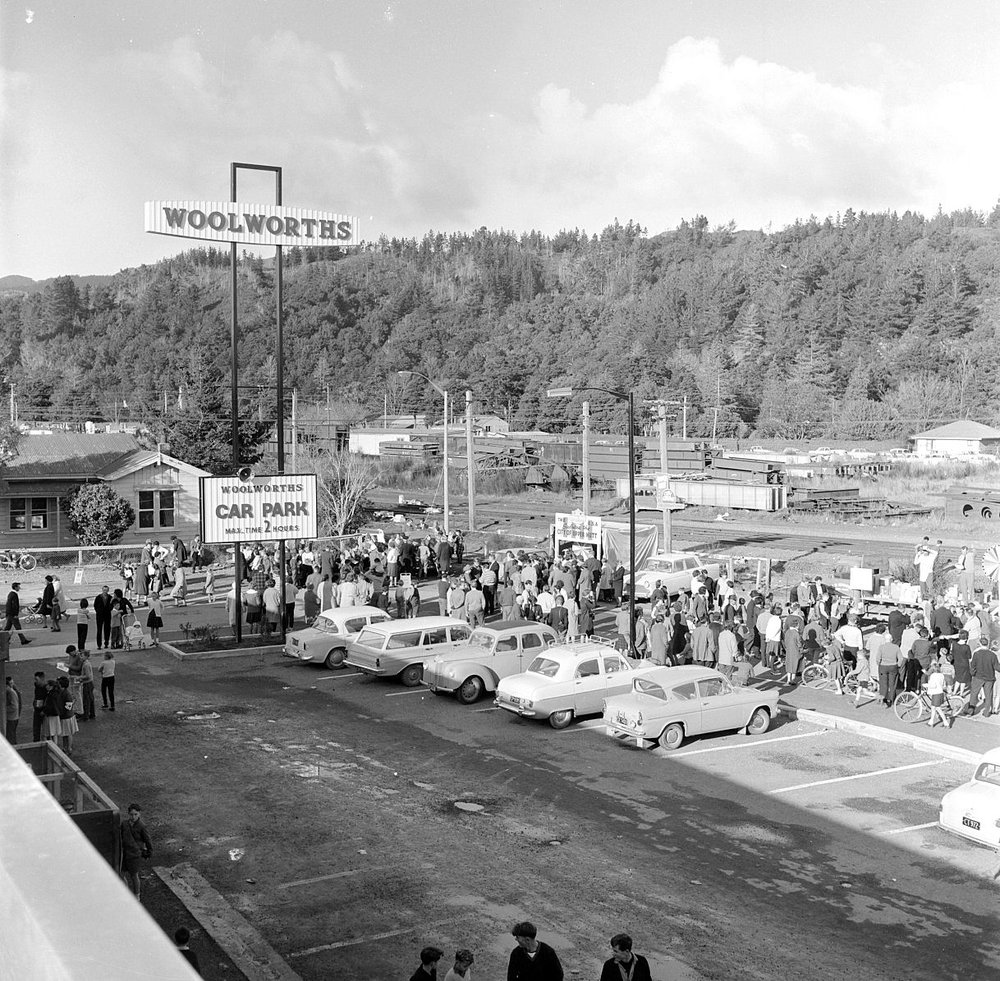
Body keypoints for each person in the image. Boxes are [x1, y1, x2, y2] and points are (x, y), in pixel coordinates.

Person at [120, 803, 152, 899]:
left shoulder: (142, 826)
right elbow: (120, 836)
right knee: (120, 874)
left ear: (139, 814)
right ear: (128, 814)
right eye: (131, 814)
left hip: (135, 855)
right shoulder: (124, 824)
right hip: (125, 853)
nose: (133, 817)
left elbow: (148, 840)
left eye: (135, 814)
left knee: (134, 875)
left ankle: (137, 896)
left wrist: (149, 852)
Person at [966, 641, 997, 718]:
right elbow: (997, 667)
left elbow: (973, 665)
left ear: (980, 644)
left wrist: (972, 673)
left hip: (978, 676)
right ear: (988, 644)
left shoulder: (977, 654)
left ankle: (971, 710)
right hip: (989, 677)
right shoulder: (992, 655)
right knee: (988, 695)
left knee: (974, 693)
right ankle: (986, 712)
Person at [3, 582, 32, 646]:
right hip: (13, 614)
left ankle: (4, 640)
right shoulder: (14, 595)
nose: (19, 588)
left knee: (7, 628)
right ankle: (23, 640)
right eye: (18, 586)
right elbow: (15, 605)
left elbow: (8, 604)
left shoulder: (10, 594)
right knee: (18, 628)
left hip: (9, 614)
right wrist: (15, 614)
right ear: (15, 587)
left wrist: (8, 613)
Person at [925, 661, 951, 729]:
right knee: (933, 708)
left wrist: (926, 685)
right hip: (940, 693)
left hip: (935, 693)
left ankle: (946, 723)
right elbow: (943, 685)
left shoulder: (933, 676)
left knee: (938, 709)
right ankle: (931, 722)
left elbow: (933, 685)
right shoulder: (941, 675)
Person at [57, 676, 78, 755]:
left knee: (68, 734)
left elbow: (68, 707)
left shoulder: (66, 694)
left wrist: (61, 713)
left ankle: (68, 748)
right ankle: (65, 747)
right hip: (65, 716)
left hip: (67, 717)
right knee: (65, 733)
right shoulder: (64, 692)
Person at [80, 651, 96, 720]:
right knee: (91, 699)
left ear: (86, 656)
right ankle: (92, 714)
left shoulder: (86, 665)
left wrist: (79, 678)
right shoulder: (87, 663)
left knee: (86, 700)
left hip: (87, 683)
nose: (81, 657)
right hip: (90, 683)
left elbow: (87, 676)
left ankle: (86, 716)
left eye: (82, 656)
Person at [5, 676, 21, 743]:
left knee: (10, 737)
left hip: (12, 718)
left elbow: (14, 707)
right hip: (13, 717)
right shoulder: (10, 692)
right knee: (11, 736)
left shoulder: (11, 692)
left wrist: (3, 709)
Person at [32, 671, 47, 741]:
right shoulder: (37, 686)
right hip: (37, 710)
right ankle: (36, 742)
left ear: (42, 679)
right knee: (36, 729)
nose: (35, 681)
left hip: (44, 712)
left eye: (36, 679)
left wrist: (44, 710)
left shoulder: (46, 688)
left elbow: (49, 701)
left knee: (46, 731)